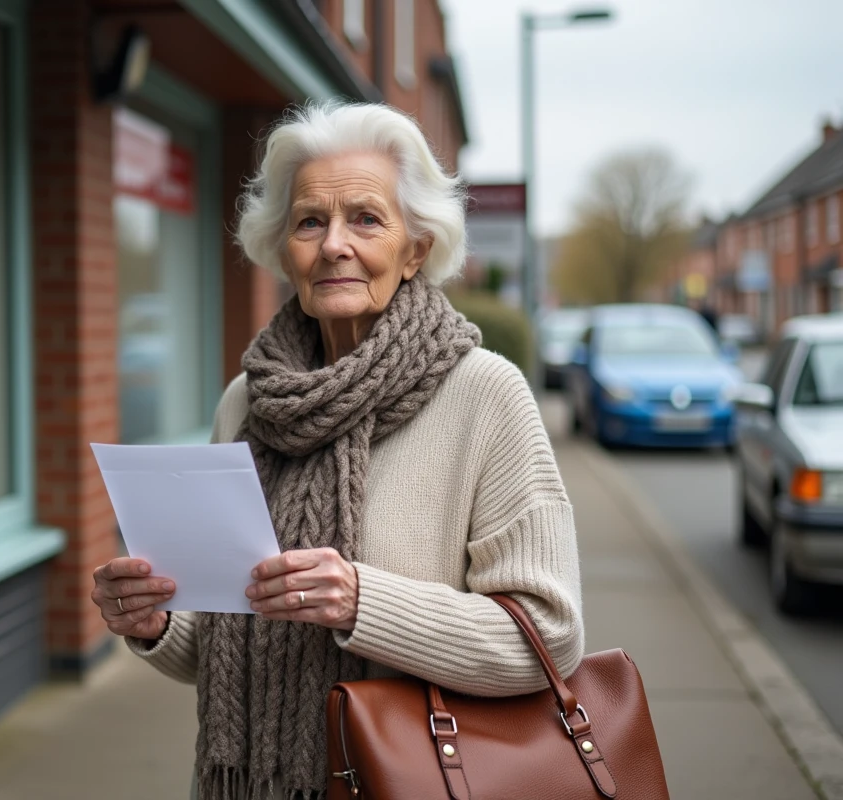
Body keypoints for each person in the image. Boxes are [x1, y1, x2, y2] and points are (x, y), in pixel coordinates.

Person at [90, 102, 584, 800]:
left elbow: (550, 636)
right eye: (310, 221)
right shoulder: (246, 402)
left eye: (367, 218)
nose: (333, 245)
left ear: (417, 248)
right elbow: (229, 649)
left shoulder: (485, 395)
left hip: (418, 779)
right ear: (282, 248)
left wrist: (361, 602)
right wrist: (159, 621)